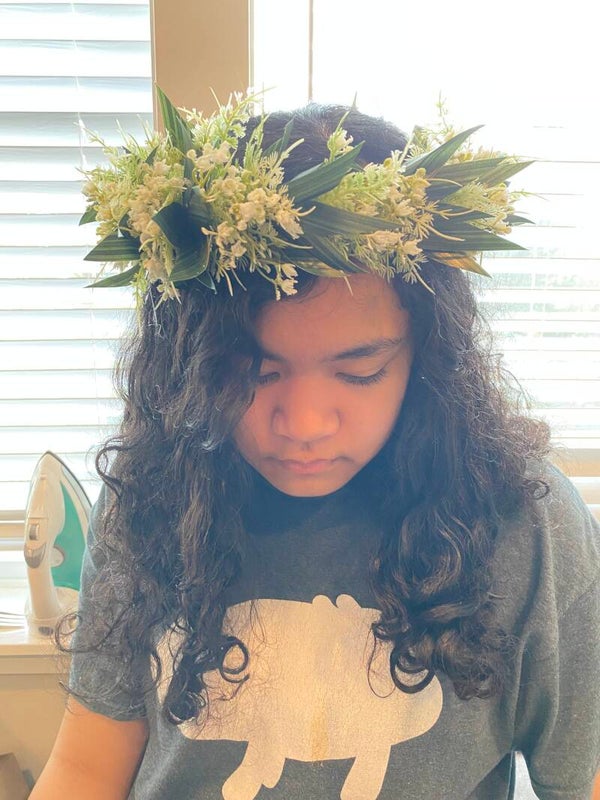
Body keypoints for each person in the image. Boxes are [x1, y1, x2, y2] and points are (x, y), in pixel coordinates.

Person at [31, 94, 600, 800]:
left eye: (359, 373)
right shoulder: (152, 494)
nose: (303, 424)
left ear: (428, 357)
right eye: (252, 372)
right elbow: (87, 768)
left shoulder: (529, 525)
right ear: (190, 362)